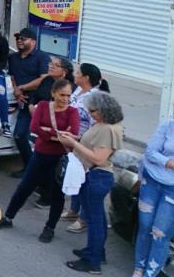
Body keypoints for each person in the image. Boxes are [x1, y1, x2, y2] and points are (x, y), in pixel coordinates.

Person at [0, 79, 80, 243]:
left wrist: (47, 132)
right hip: (39, 155)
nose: (65, 99)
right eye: (62, 95)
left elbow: (72, 135)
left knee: (57, 195)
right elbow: (34, 128)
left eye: (68, 95)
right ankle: (8, 217)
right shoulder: (44, 106)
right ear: (53, 93)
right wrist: (57, 134)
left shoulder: (73, 112)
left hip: (59, 159)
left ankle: (50, 228)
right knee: (24, 188)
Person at [131, 94, 174, 277]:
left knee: (160, 234)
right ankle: (138, 269)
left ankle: (150, 274)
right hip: (153, 182)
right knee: (145, 228)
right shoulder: (168, 127)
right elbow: (151, 152)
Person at [57, 92, 124, 274]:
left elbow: (99, 158)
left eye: (93, 110)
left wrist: (73, 142)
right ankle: (96, 252)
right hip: (94, 175)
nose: (90, 113)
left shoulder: (107, 129)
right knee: (98, 218)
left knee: (93, 220)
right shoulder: (104, 125)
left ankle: (92, 262)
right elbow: (92, 146)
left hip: (97, 176)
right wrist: (75, 139)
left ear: (103, 110)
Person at [62, 63, 111, 229]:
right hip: (75, 141)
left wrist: (84, 141)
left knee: (85, 181)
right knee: (75, 174)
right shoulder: (77, 90)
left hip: (88, 144)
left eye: (77, 72)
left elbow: (95, 123)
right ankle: (73, 210)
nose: (74, 75)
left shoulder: (95, 97)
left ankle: (83, 219)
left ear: (86, 78)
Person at [7, 27, 50, 176]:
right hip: (23, 102)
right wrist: (16, 91)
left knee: (43, 138)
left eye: (23, 38)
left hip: (39, 102)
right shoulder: (13, 58)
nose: (19, 41)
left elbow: (44, 79)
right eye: (18, 38)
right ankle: (30, 168)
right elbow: (12, 76)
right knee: (19, 135)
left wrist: (22, 87)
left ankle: (44, 172)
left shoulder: (42, 57)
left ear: (33, 42)